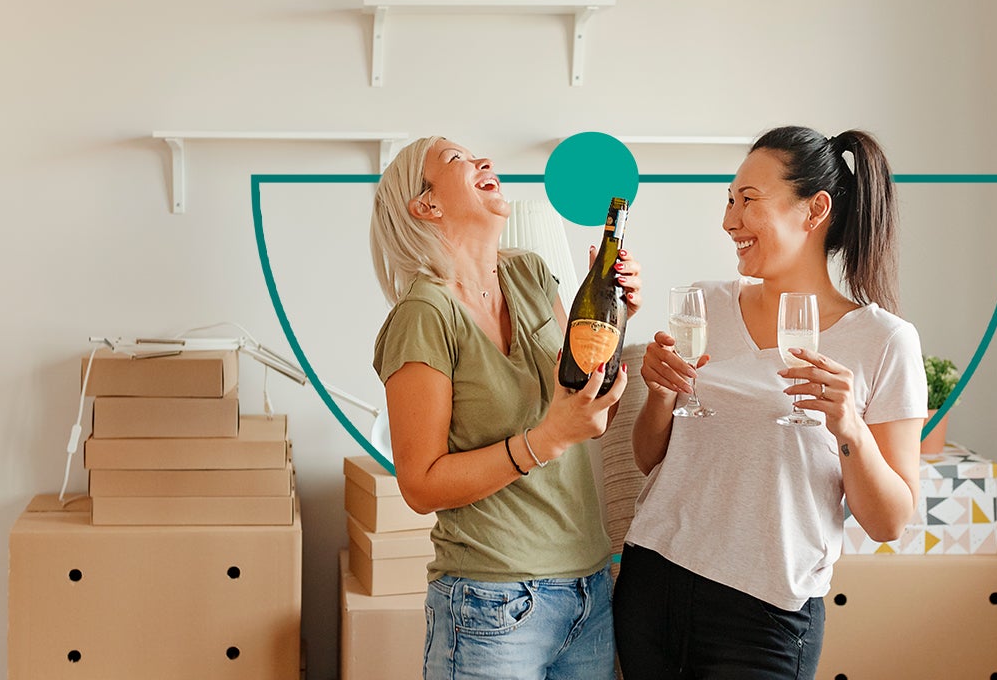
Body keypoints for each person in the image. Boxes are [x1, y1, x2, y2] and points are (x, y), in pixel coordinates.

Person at [613, 126, 927, 679]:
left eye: (748, 201)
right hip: (654, 580)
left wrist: (848, 426)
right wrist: (660, 396)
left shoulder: (885, 341)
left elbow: (889, 522)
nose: (729, 220)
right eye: (729, 200)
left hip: (766, 609)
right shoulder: (703, 306)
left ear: (814, 210)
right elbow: (650, 461)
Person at [369, 136, 642, 680]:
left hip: (587, 587)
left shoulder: (531, 274)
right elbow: (420, 485)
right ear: (427, 205)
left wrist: (619, 317)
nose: (483, 162)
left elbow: (586, 412)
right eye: (457, 160)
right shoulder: (424, 314)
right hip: (490, 602)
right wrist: (545, 440)